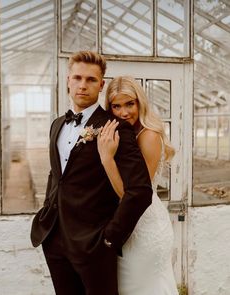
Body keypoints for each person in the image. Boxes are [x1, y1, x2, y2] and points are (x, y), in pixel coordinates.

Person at [30, 52, 153, 295]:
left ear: (101, 84)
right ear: (68, 80)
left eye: (91, 79)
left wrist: (110, 239)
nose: (83, 85)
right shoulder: (57, 124)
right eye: (77, 77)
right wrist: (47, 210)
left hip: (94, 244)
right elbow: (56, 175)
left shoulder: (116, 127)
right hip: (54, 238)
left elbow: (140, 191)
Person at [97, 76, 179, 295]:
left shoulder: (148, 136)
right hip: (128, 223)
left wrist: (107, 159)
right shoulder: (125, 133)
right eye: (117, 106)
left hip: (145, 226)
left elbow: (132, 194)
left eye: (129, 104)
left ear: (140, 102)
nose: (124, 112)